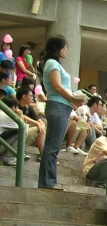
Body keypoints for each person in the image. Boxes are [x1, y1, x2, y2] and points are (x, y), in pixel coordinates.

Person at [38, 35, 85, 190]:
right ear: (58, 48)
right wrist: (72, 98)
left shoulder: (55, 63)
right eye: (65, 47)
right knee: (52, 146)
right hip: (57, 106)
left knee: (54, 146)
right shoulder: (52, 63)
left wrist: (72, 101)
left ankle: (48, 181)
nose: (66, 50)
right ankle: (48, 182)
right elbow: (57, 87)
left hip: (62, 107)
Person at [15, 85, 45, 154]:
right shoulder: (15, 105)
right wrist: (37, 124)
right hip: (15, 134)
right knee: (39, 129)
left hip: (24, 131)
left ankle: (42, 154)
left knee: (43, 126)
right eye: (31, 96)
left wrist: (42, 125)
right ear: (24, 97)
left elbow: (38, 119)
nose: (33, 98)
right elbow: (23, 116)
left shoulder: (28, 107)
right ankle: (43, 156)